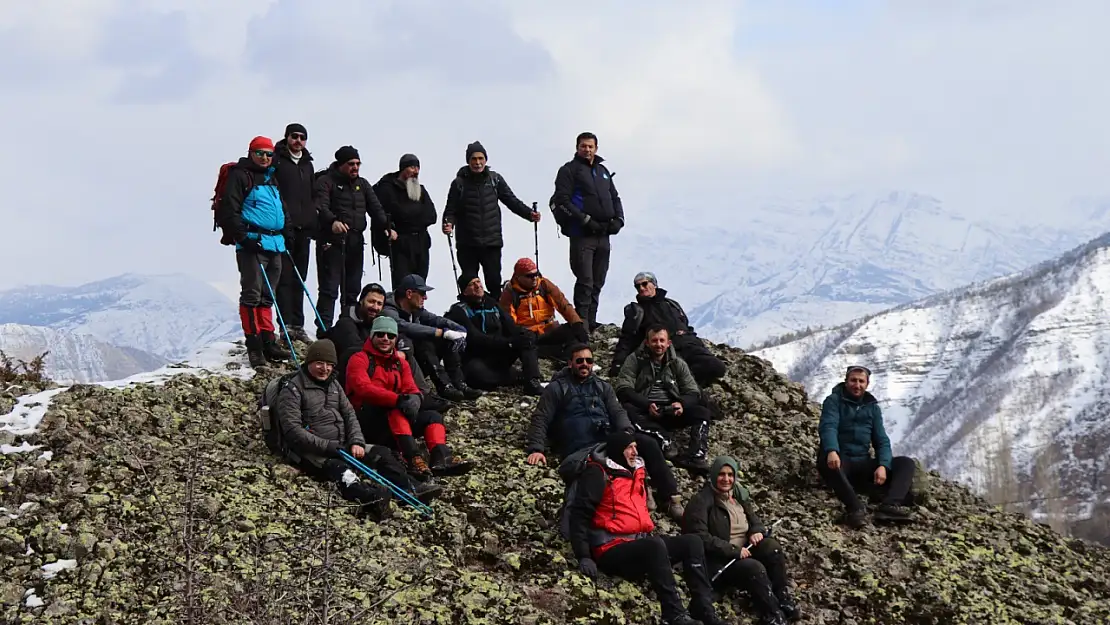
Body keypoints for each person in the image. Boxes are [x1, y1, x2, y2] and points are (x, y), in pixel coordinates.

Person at [567, 431, 728, 625]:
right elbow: (580, 515)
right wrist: (584, 555)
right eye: (630, 448)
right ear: (618, 450)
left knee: (692, 542)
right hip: (610, 548)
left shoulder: (636, 472)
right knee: (654, 545)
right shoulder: (598, 473)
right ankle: (673, 614)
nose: (635, 452)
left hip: (638, 543)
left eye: (636, 447)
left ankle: (703, 607)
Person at [273, 340, 443, 520]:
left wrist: (356, 441)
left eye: (329, 364)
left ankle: (411, 487)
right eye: (319, 363)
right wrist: (330, 446)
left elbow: (349, 415)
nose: (325, 368)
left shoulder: (334, 385)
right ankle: (372, 499)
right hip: (313, 451)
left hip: (343, 444)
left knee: (382, 453)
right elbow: (293, 431)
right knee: (342, 471)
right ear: (308, 363)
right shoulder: (292, 390)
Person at [526, 343, 686, 521]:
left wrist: (627, 432)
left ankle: (671, 498)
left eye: (589, 360)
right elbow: (541, 418)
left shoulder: (603, 387)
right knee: (605, 467)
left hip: (607, 438)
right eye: (579, 361)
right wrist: (536, 448)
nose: (584, 364)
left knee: (648, 444)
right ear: (570, 363)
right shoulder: (556, 389)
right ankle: (640, 487)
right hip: (580, 446)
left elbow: (617, 411)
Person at [344, 316, 474, 480]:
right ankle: (413, 458)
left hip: (393, 423)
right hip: (366, 421)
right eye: (380, 334)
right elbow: (363, 389)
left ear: (396, 339)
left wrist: (415, 399)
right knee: (395, 410)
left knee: (433, 417)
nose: (385, 339)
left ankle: (442, 457)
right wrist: (398, 400)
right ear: (372, 336)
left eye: (390, 336)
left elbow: (411, 388)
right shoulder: (359, 359)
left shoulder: (400, 363)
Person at [683, 456, 800, 625]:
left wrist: (756, 531)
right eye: (721, 474)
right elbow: (700, 537)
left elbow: (755, 521)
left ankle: (783, 597)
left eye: (730, 474)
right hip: (722, 560)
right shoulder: (701, 501)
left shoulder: (738, 495)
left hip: (745, 548)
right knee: (754, 568)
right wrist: (734, 550)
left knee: (772, 547)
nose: (726, 479)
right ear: (714, 475)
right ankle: (772, 613)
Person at [215, 135, 292, 368]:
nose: (265, 158)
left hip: (274, 243)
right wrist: (244, 238)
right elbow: (231, 209)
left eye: (269, 154)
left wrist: (287, 230)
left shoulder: (271, 178)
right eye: (260, 153)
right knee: (252, 293)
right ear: (251, 153)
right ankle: (255, 345)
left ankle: (268, 339)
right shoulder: (241, 176)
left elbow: (281, 207)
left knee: (267, 295)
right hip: (253, 243)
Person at [817, 365, 916, 528]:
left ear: (867, 384)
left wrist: (883, 465)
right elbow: (828, 426)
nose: (857, 385)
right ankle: (855, 509)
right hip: (840, 461)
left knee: (906, 463)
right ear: (846, 381)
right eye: (853, 380)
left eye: (861, 381)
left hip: (862, 463)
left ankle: (889, 506)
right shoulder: (833, 401)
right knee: (829, 463)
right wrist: (832, 450)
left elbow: (882, 440)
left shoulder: (872, 408)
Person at [329, 282, 451, 413]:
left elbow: (402, 338)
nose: (375, 307)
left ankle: (422, 395)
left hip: (378, 370)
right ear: (361, 301)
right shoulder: (345, 323)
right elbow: (355, 349)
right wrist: (390, 353)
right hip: (351, 378)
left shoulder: (379, 321)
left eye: (379, 304)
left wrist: (402, 352)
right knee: (360, 354)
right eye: (371, 302)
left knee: (405, 354)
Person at [442, 141, 541, 301]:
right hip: (467, 243)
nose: (477, 162)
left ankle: (497, 317)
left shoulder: (495, 180)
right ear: (468, 161)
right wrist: (447, 224)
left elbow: (511, 200)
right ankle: (470, 318)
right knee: (469, 283)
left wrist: (529, 214)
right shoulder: (459, 184)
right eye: (474, 159)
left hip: (491, 242)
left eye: (481, 158)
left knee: (494, 282)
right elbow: (450, 209)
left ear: (486, 160)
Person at [314, 145, 394, 338]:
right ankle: (323, 331)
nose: (355, 167)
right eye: (351, 164)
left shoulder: (363, 184)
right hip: (331, 241)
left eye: (358, 163)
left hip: (356, 241)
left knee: (352, 290)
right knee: (329, 289)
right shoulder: (326, 181)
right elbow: (320, 205)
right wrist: (332, 221)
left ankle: (346, 328)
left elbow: (376, 208)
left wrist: (386, 226)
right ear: (341, 164)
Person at [550, 132, 625, 333]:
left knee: (598, 279)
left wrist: (619, 219)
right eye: (583, 146)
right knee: (585, 280)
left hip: (604, 234)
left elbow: (615, 197)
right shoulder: (569, 170)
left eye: (591, 146)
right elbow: (562, 200)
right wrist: (585, 220)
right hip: (581, 234)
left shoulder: (603, 171)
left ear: (596, 148)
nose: (587, 149)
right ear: (577, 147)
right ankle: (580, 323)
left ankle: (591, 321)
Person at [613, 325, 712, 472]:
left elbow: (692, 390)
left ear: (668, 343)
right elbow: (623, 388)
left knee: (702, 413)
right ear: (647, 342)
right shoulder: (635, 360)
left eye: (661, 340)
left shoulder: (677, 363)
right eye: (654, 341)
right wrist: (646, 404)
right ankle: (665, 441)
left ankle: (696, 455)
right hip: (645, 410)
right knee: (626, 411)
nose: (658, 344)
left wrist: (682, 404)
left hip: (671, 410)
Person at [610, 272, 726, 388]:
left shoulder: (672, 304)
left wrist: (697, 343)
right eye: (637, 286)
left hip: (690, 345)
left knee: (718, 367)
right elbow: (627, 338)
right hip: (667, 351)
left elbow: (686, 326)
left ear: (654, 284)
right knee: (680, 374)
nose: (641, 288)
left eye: (644, 284)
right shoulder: (636, 311)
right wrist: (618, 364)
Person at [381, 274, 483, 402]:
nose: (425, 297)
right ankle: (444, 386)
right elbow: (404, 326)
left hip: (413, 362)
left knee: (447, 339)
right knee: (425, 341)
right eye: (422, 293)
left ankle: (459, 383)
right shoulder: (388, 310)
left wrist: (458, 329)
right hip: (396, 364)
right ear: (409, 294)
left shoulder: (415, 309)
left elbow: (435, 319)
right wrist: (441, 332)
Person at [445, 273, 544, 396]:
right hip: (477, 358)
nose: (478, 286)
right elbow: (475, 338)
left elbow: (512, 327)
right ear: (464, 291)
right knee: (476, 375)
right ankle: (513, 377)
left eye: (478, 281)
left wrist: (525, 336)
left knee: (526, 339)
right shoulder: (459, 310)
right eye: (472, 284)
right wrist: (508, 343)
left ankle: (532, 382)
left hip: (500, 353)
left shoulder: (494, 305)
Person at [271, 123, 316, 343]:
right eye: (294, 136)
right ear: (287, 137)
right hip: (283, 229)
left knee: (301, 278)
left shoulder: (308, 164)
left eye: (302, 137)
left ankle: (298, 325)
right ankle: (285, 325)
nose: (298, 141)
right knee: (285, 278)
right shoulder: (277, 161)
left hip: (304, 229)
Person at [500, 257, 589, 361]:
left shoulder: (544, 284)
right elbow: (509, 322)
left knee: (572, 330)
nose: (534, 278)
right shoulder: (510, 293)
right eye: (530, 276)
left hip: (549, 329)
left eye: (536, 274)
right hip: (528, 335)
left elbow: (562, 304)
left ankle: (571, 356)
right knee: (526, 344)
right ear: (519, 277)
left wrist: (576, 323)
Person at [373, 153, 437, 287]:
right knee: (402, 286)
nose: (416, 171)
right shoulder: (387, 189)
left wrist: (409, 217)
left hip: (421, 243)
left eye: (418, 168)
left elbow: (432, 216)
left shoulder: (421, 190)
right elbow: (390, 213)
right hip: (400, 244)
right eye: (412, 167)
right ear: (403, 169)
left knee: (420, 285)